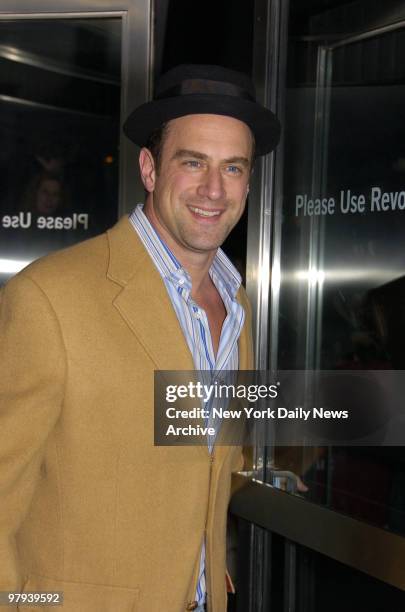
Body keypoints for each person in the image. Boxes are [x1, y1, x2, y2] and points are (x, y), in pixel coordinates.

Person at [0, 64, 280, 611]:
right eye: (193, 162)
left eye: (233, 168)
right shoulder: (49, 298)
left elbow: (205, 467)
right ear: (149, 169)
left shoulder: (237, 306)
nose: (213, 190)